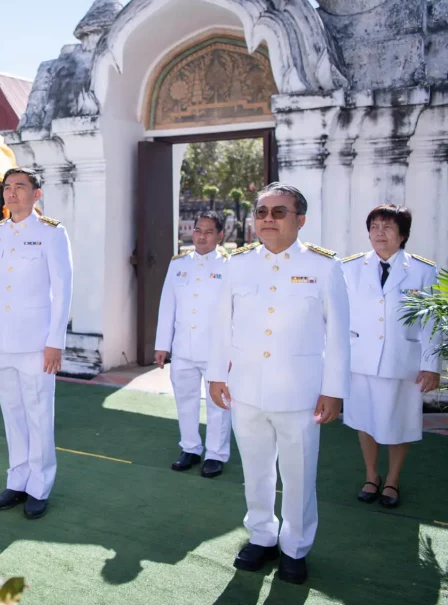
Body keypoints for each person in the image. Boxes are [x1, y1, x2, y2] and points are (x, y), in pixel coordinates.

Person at [207, 182, 349, 585]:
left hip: (299, 393)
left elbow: (339, 334)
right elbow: (222, 324)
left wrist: (334, 390)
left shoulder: (324, 266)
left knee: (299, 475)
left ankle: (295, 547)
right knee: (256, 471)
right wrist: (217, 374)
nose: (268, 219)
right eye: (262, 212)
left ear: (300, 220)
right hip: (246, 389)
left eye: (279, 212)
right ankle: (262, 536)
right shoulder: (238, 263)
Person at [0, 167, 73, 520]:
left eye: (20, 186)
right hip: (1, 340)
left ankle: (39, 486)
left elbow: (62, 289)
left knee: (38, 414)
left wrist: (55, 341)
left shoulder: (51, 232)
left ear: (36, 194)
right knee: (12, 414)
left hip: (36, 342)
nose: (12, 192)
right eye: (7, 187)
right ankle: (17, 480)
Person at [341, 205, 443, 508]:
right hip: (361, 359)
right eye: (374, 226)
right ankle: (372, 475)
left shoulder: (423, 270)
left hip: (402, 360)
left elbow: (432, 321)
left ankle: (393, 480)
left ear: (403, 234)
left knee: (400, 422)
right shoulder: (350, 267)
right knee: (364, 420)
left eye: (387, 227)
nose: (379, 233)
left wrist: (431, 365)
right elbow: (339, 315)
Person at [154, 212, 231, 478]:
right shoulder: (179, 264)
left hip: (216, 349)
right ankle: (190, 448)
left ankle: (215, 454)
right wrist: (162, 344)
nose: (201, 236)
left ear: (220, 236)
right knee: (185, 399)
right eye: (198, 230)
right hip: (183, 347)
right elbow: (168, 306)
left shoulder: (230, 265)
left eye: (209, 232)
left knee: (218, 403)